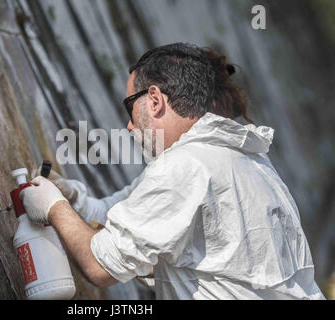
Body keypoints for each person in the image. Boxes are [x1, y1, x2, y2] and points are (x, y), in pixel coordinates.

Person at [20, 43, 325, 300]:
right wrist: (74, 199)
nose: (128, 125)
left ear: (154, 100)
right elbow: (121, 217)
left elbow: (100, 266)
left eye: (129, 107)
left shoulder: (186, 166)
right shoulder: (247, 160)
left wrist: (54, 208)